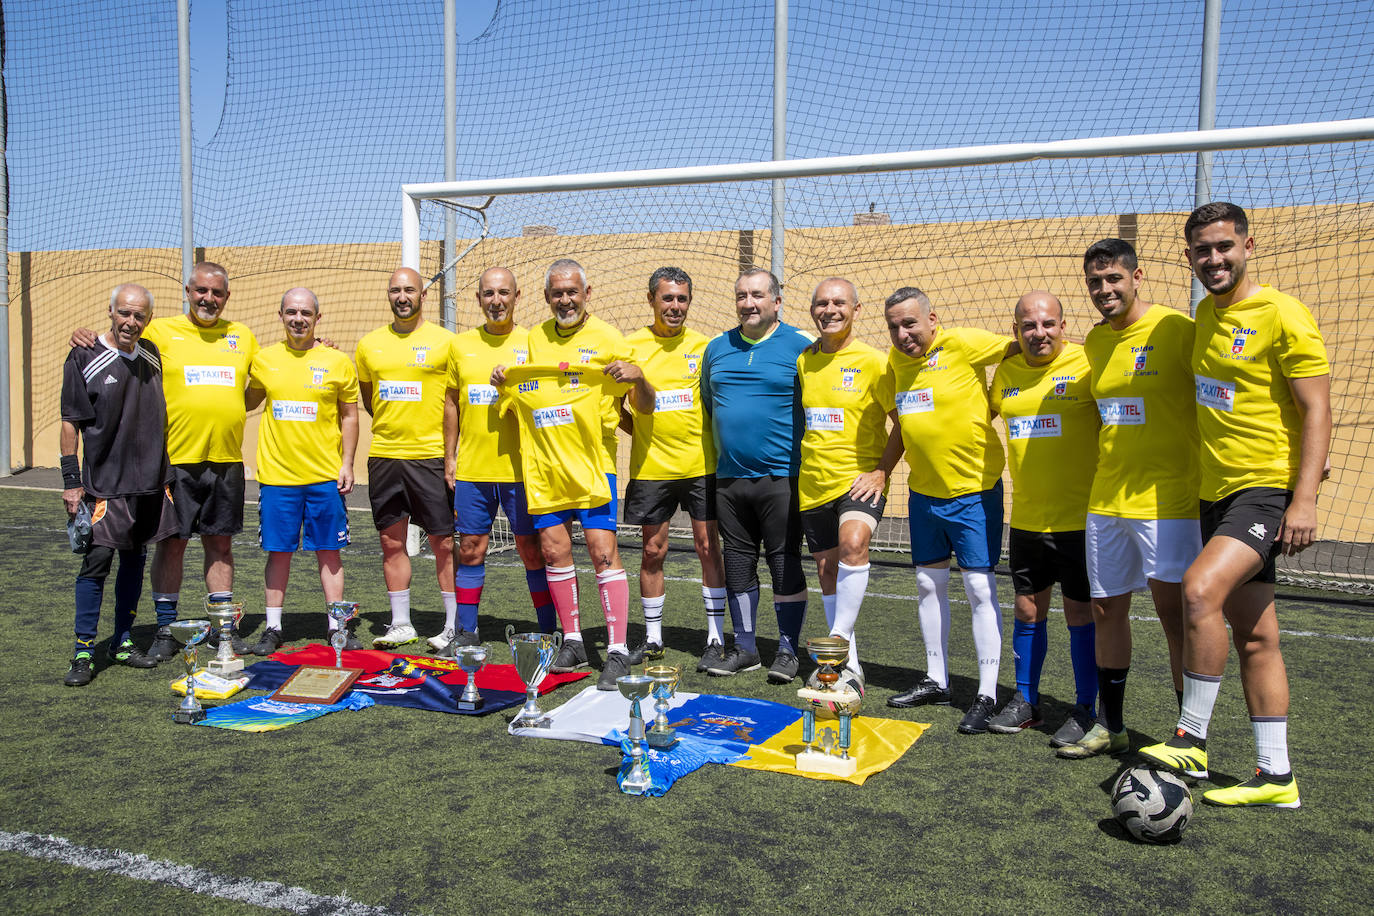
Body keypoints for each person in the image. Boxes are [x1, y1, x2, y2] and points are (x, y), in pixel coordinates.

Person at [1139, 202, 1329, 808]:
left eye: (1224, 246)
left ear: (1249, 246)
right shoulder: (1203, 314)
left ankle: (1191, 739)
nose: (1214, 259)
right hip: (1214, 494)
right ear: (1189, 256)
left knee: (1198, 590)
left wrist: (1304, 499)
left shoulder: (1283, 313)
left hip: (1265, 489)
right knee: (1255, 636)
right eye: (1202, 250)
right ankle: (1276, 777)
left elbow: (1317, 408)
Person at [69, 262, 258, 660]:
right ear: (187, 292)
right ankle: (165, 630)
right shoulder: (160, 331)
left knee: (221, 546)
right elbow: (120, 334)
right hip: (173, 463)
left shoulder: (242, 336)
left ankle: (223, 631)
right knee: (172, 546)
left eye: (217, 293)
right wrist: (84, 334)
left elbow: (261, 383)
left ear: (227, 296)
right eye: (201, 290)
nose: (208, 298)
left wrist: (318, 344)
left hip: (226, 460)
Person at [1057, 238, 1199, 761]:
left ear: (1137, 278)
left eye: (1113, 278)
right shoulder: (1096, 341)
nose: (1104, 289)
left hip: (1169, 501)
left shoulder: (1175, 329)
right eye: (1095, 281)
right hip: (1107, 500)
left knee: (1174, 617)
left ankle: (1189, 738)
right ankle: (1110, 726)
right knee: (1104, 610)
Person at [492, 259, 654, 691]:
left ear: (587, 293)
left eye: (572, 292)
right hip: (545, 467)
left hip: (593, 466)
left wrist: (637, 378)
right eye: (558, 293)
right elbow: (528, 390)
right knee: (554, 552)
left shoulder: (609, 338)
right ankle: (575, 640)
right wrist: (503, 380)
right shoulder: (534, 339)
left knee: (603, 552)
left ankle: (617, 649)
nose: (566, 300)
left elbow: (643, 406)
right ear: (547, 297)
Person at [878, 287, 1016, 734]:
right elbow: (903, 423)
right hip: (923, 495)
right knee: (926, 584)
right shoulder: (896, 362)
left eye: (910, 323)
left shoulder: (963, 343)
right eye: (894, 327)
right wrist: (881, 470)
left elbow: (1023, 347)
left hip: (974, 492)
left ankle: (987, 693)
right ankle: (937, 679)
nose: (903, 334)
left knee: (978, 588)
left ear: (932, 319)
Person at [986, 291, 1100, 744]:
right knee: (1027, 608)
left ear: (1063, 326)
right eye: (1029, 326)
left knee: (1080, 612)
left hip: (1082, 519)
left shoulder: (1087, 364)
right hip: (1028, 518)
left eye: (1048, 324)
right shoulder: (1006, 374)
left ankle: (1086, 708)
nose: (1039, 333)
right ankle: (1026, 701)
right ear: (1016, 331)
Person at [59, 284, 178, 685]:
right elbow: (70, 422)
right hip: (104, 486)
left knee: (135, 561)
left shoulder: (152, 354)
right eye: (124, 313)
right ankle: (83, 651)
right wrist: (71, 481)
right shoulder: (84, 355)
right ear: (110, 311)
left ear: (149, 319)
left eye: (139, 315)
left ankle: (122, 642)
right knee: (96, 564)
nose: (130, 321)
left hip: (148, 485)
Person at [700, 268, 813, 683]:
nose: (749, 303)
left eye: (758, 295)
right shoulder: (717, 348)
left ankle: (787, 650)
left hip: (782, 477)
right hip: (730, 479)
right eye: (742, 296)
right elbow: (710, 404)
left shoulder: (802, 346)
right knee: (737, 563)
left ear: (777, 302)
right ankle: (745, 648)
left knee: (784, 563)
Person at [442, 267, 557, 645]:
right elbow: (451, 403)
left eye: (503, 293)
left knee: (531, 550)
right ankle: (467, 631)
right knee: (470, 549)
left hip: (522, 471)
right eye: (488, 294)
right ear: (478, 299)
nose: (496, 301)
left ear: (517, 296)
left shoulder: (534, 342)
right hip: (474, 470)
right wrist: (450, 457)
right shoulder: (460, 345)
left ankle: (547, 629)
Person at [621, 267, 727, 669]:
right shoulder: (630, 346)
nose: (675, 306)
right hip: (652, 469)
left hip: (702, 465)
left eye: (682, 299)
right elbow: (613, 407)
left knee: (708, 547)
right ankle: (653, 639)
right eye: (667, 298)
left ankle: (716, 638)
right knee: (653, 551)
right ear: (651, 299)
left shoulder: (705, 347)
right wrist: (641, 432)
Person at [795, 278, 898, 685]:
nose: (830, 310)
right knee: (827, 571)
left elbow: (902, 424)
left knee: (854, 545)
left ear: (856, 310)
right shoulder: (805, 361)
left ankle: (835, 645)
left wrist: (881, 471)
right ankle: (850, 665)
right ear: (813, 311)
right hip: (813, 483)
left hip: (858, 483)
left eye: (839, 303)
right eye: (822, 303)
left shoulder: (874, 362)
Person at [246, 288, 360, 653]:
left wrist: (347, 463)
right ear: (280, 315)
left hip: (325, 477)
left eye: (306, 313)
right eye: (292, 312)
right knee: (279, 552)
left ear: (317, 318)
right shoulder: (263, 360)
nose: (298, 319)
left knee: (329, 551)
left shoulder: (338, 361)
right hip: (278, 478)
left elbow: (350, 415)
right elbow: (243, 399)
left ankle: (337, 627)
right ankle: (273, 627)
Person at [355, 268, 457, 651]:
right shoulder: (368, 345)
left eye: (409, 289)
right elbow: (370, 400)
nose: (402, 296)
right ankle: (401, 624)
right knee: (390, 542)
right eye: (396, 290)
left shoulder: (446, 343)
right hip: (385, 457)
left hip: (431, 458)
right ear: (388, 294)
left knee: (443, 543)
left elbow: (455, 402)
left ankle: (454, 625)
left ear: (423, 295)